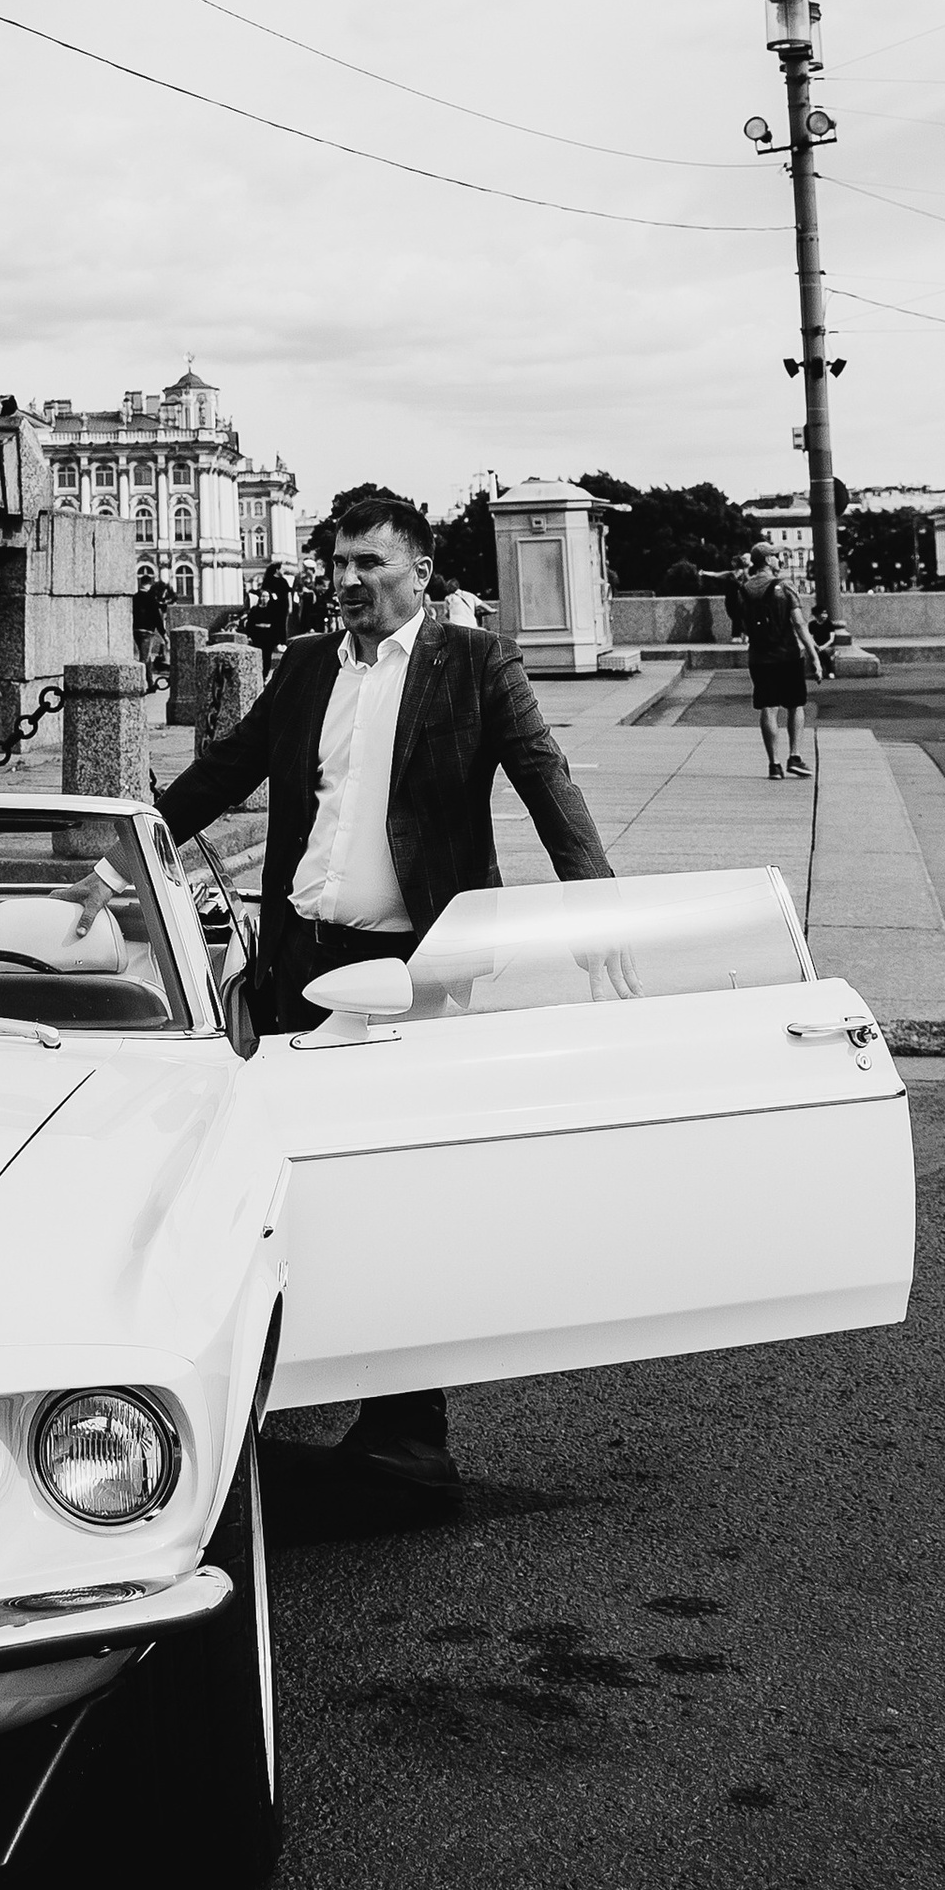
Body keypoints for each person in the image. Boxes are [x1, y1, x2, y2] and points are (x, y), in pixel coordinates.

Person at [159, 483, 613, 1508]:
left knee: (395, 1192)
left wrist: (594, 914)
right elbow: (225, 773)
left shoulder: (474, 663)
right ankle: (280, 1387)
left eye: (370, 563)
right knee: (279, 1184)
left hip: (413, 968)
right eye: (338, 564)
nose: (349, 581)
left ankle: (408, 1435)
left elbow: (549, 784)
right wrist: (122, 852)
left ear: (421, 570)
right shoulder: (309, 662)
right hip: (299, 961)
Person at [724, 537, 823, 777]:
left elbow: (743, 624)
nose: (779, 559)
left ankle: (774, 765)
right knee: (795, 705)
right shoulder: (785, 586)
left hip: (759, 658)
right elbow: (800, 625)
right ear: (768, 560)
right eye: (776, 556)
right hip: (787, 655)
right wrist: (815, 657)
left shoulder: (743, 590)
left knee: (768, 709)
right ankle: (795, 757)